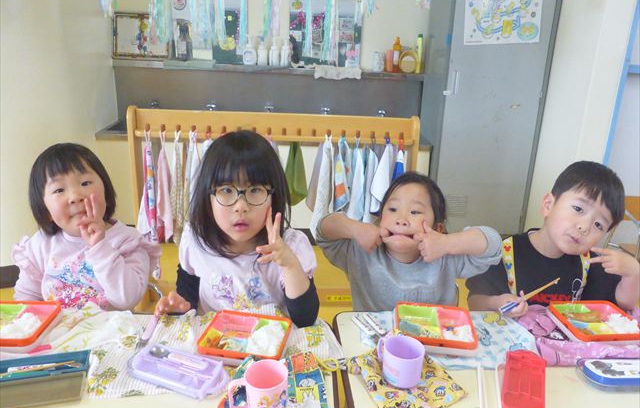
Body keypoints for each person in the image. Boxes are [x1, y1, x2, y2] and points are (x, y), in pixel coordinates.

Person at [155, 130, 319, 327]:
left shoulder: (290, 246)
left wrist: (290, 265)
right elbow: (187, 294)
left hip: (270, 343)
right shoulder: (196, 241)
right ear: (208, 197)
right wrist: (179, 307)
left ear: (273, 197)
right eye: (226, 190)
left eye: (255, 190)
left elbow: (305, 319)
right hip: (214, 343)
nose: (241, 206)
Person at [466, 161, 640, 317]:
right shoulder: (504, 253)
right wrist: (496, 303)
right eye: (578, 209)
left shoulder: (590, 263)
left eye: (598, 225)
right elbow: (474, 302)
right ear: (548, 205)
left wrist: (633, 273)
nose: (585, 227)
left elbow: (623, 305)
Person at [314, 172, 502, 311]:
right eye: (393, 209)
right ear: (379, 219)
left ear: (437, 228)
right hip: (374, 346)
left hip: (435, 345)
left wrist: (447, 243)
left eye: (415, 212)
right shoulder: (361, 251)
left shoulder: (445, 256)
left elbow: (493, 244)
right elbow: (323, 231)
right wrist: (354, 228)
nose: (401, 219)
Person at [13, 143, 161, 310]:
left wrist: (100, 247)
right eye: (59, 190)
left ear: (106, 192)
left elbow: (127, 299)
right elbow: (26, 300)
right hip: (59, 327)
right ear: (45, 209)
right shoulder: (40, 245)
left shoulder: (127, 240)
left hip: (112, 327)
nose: (75, 196)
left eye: (85, 183)